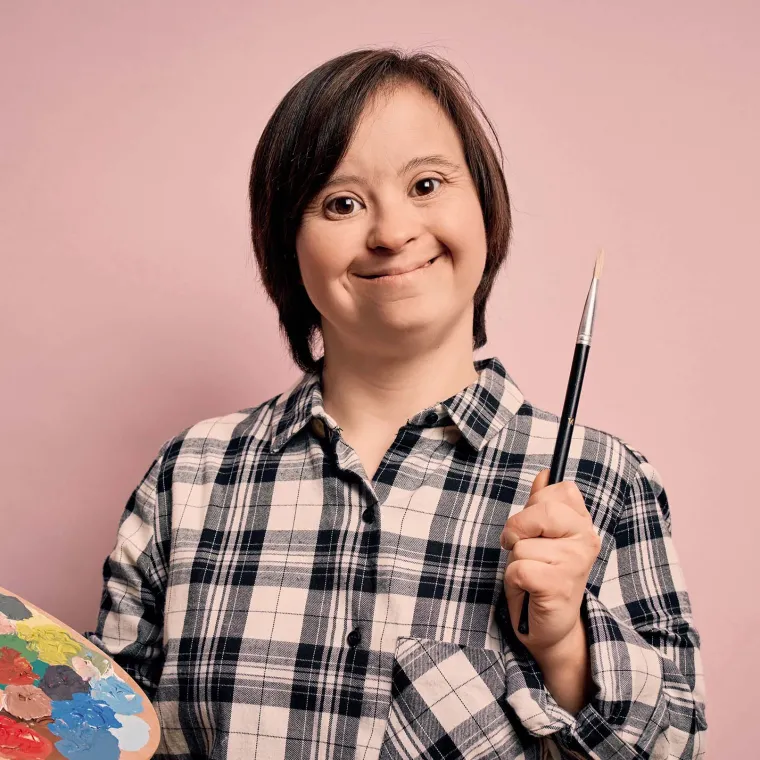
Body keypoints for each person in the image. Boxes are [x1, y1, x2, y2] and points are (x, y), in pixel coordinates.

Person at [85, 47, 707, 759]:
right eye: (341, 203)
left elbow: (677, 746)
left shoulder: (602, 481)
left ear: (485, 206)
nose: (390, 232)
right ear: (286, 246)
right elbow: (102, 733)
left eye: (427, 184)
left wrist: (568, 645)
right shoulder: (188, 476)